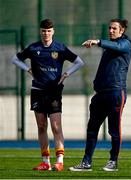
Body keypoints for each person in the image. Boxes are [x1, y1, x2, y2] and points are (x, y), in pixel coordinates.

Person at [11, 19, 84, 171]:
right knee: (41, 126)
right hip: (37, 91)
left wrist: (66, 73)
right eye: (44, 31)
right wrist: (27, 69)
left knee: (56, 126)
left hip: (54, 92)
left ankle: (60, 161)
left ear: (53, 32)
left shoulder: (60, 48)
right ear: (40, 31)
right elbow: (15, 59)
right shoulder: (33, 48)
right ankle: (45, 162)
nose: (46, 33)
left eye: (49, 31)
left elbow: (79, 62)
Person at [69, 18, 131, 172]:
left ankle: (113, 161)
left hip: (116, 93)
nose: (111, 31)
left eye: (114, 29)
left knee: (114, 130)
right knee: (92, 128)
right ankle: (86, 162)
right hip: (101, 94)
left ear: (122, 30)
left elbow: (117, 45)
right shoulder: (109, 47)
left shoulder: (125, 44)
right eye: (110, 28)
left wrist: (98, 41)